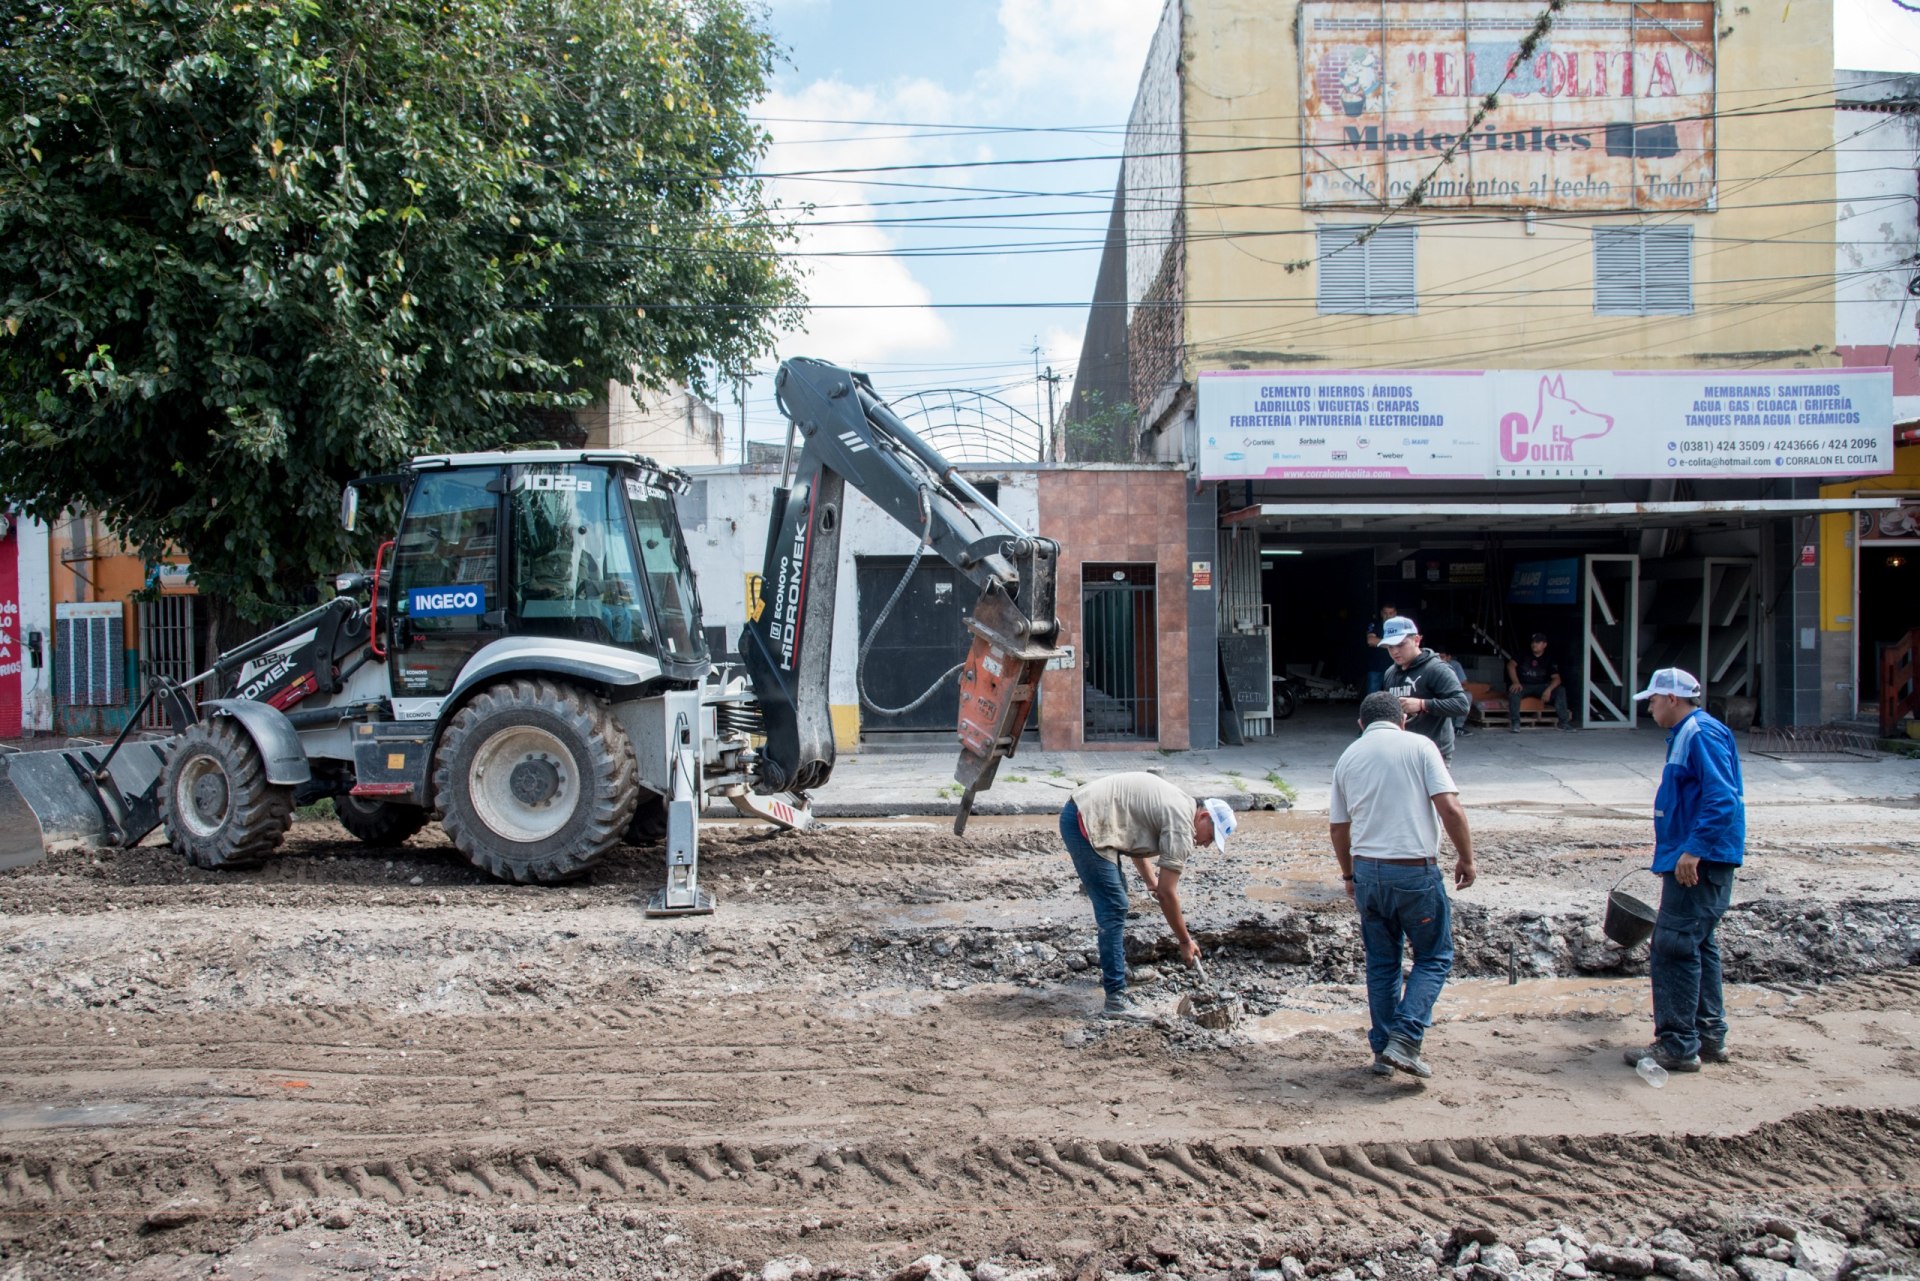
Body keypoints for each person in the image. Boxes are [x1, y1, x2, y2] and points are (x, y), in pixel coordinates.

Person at [1330, 691, 1476, 1079]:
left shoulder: (1349, 757)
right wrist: (1467, 858)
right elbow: (1450, 808)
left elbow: (1338, 827)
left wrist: (1348, 876)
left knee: (1382, 963)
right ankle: (1406, 1039)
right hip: (1414, 872)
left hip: (1367, 873)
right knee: (1434, 956)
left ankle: (1382, 1050)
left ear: (1361, 724)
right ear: (1403, 720)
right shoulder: (1420, 746)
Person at [1623, 668, 1745, 1073]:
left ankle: (1677, 1044)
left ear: (1672, 699)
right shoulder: (1690, 733)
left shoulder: (1699, 733)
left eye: (1653, 700)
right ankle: (1708, 1036)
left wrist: (1694, 849)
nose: (1650, 707)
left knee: (1673, 945)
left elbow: (1722, 798)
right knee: (1699, 944)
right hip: (1696, 857)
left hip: (1698, 862)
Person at [1059, 774, 1236, 1021]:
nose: (1206, 844)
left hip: (1089, 812)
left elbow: (1133, 838)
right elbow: (1167, 894)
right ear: (1204, 817)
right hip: (1086, 820)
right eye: (1211, 836)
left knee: (1116, 895)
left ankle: (1118, 971)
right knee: (1113, 906)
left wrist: (1151, 881)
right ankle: (1116, 1000)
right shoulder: (1182, 826)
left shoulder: (1180, 805)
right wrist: (1184, 941)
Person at [1376, 617, 1471, 762]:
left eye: (1400, 644)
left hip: (1433, 753)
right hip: (1400, 751)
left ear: (1417, 640)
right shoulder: (1390, 672)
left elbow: (1461, 705)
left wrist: (1422, 704)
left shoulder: (1436, 669)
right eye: (1390, 647)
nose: (1395, 651)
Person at [1506, 632, 1575, 731]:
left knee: (1560, 690)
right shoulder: (1523, 653)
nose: (1534, 644)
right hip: (1524, 685)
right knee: (1514, 691)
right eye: (1533, 642)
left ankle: (1563, 723)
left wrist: (1549, 690)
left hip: (1541, 686)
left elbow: (1557, 678)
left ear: (1544, 645)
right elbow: (1510, 665)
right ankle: (1516, 723)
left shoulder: (1549, 658)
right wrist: (1516, 682)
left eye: (1538, 642)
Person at [1435, 647, 1472, 739]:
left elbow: (1464, 683)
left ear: (1448, 657)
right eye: (1438, 657)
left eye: (1442, 657)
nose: (1440, 659)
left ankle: (1458, 727)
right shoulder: (1432, 665)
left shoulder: (1455, 665)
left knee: (1467, 696)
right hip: (1435, 693)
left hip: (1452, 691)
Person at [1365, 628, 1393, 694]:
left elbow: (1403, 643)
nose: (1387, 616)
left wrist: (1379, 642)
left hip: (1394, 668)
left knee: (1394, 696)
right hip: (1376, 667)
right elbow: (1371, 641)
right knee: (1372, 697)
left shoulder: (1397, 626)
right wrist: (1392, 644)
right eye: (1385, 616)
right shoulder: (1377, 625)